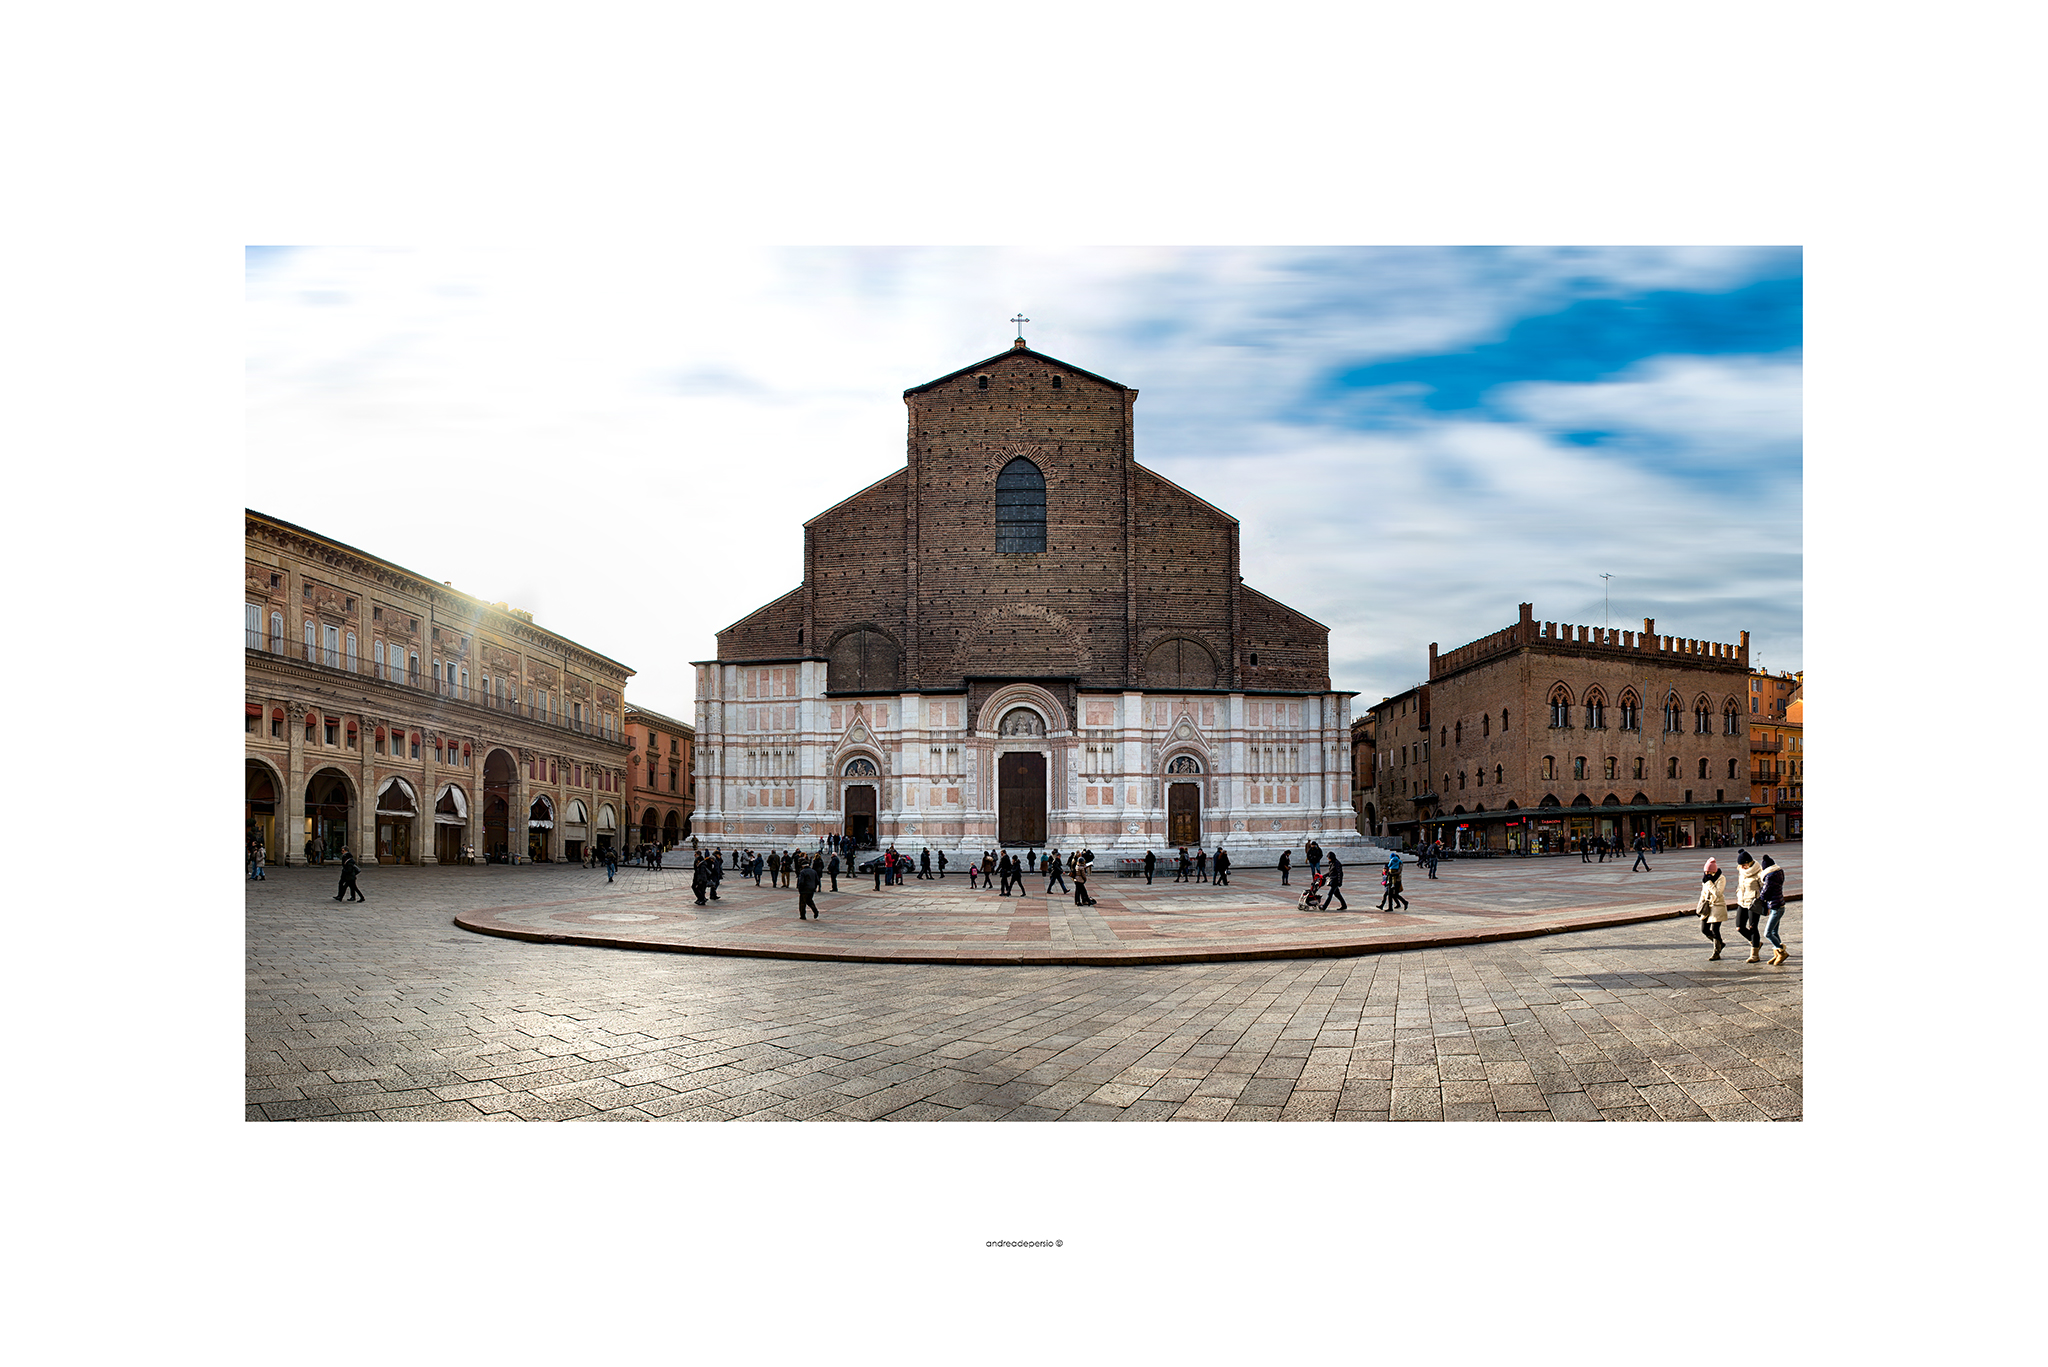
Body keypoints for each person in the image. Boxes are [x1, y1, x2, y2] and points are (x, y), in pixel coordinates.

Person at [1733, 850, 1763, 961]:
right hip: (1742, 901)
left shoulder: (1759, 872)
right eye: (1741, 865)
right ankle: (1756, 942)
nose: (1743, 867)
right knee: (1739, 927)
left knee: (1753, 926)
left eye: (1744, 865)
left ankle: (1754, 955)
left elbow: (1764, 889)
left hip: (1753, 902)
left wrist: (1764, 902)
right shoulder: (1741, 871)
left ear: (1749, 863)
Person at [1696, 856, 1729, 959]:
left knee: (1715, 930)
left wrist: (1709, 883)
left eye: (1708, 872)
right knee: (1704, 929)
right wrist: (1699, 907)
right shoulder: (1705, 879)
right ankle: (1720, 944)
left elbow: (1718, 893)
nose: (1706, 874)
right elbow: (1703, 893)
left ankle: (1716, 952)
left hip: (1717, 906)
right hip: (1707, 906)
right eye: (1705, 871)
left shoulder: (1721, 878)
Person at [1759, 855, 1789, 965]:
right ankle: (1777, 953)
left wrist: (1760, 891)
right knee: (1774, 932)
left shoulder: (1770, 877)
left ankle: (1781, 952)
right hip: (1778, 905)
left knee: (1768, 933)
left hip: (1775, 907)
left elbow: (1765, 893)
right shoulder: (1778, 873)